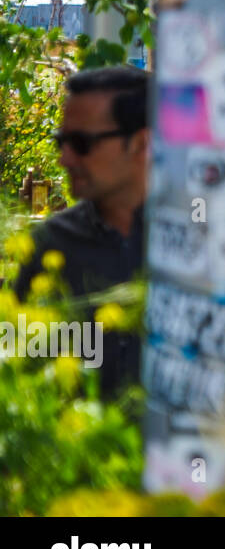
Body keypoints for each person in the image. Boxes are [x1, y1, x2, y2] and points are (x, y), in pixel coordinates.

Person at [10, 65, 149, 396]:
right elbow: (18, 369)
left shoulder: (203, 241)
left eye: (81, 143)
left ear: (140, 143)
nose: (64, 159)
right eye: (61, 142)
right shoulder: (50, 245)